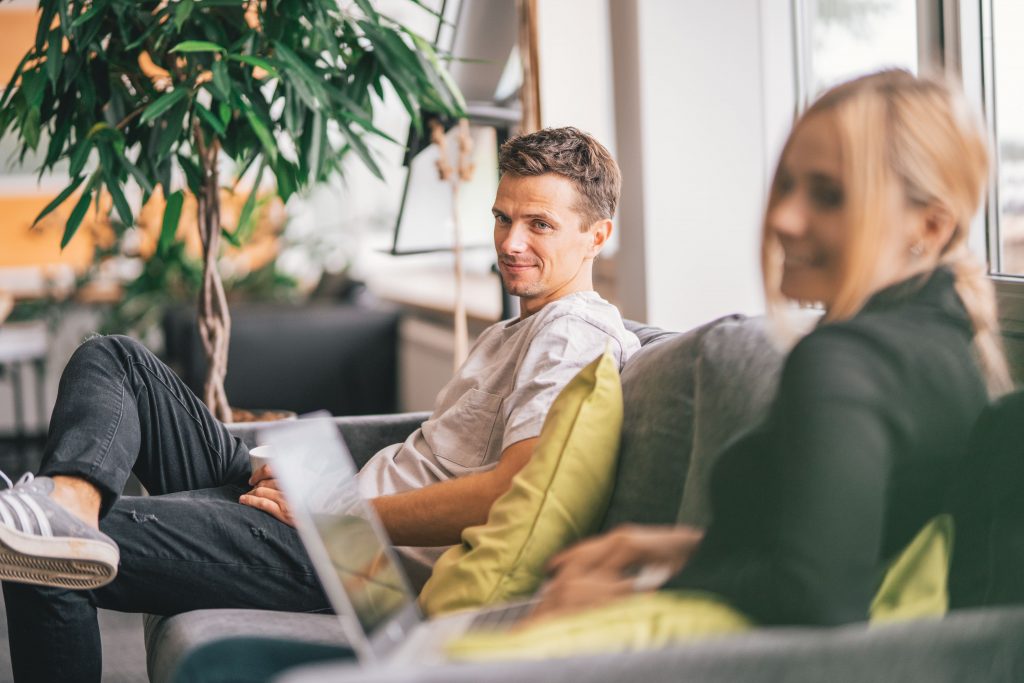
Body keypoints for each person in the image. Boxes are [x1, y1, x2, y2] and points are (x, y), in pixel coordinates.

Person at [0, 126, 640, 682]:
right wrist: (303, 472)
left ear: (597, 236)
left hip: (353, 555)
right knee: (115, 358)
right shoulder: (514, 329)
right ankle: (69, 502)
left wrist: (338, 515)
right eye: (503, 217)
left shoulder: (572, 334)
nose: (510, 242)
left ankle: (61, 524)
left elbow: (511, 490)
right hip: (329, 509)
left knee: (37, 550)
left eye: (540, 225)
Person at [532, 70, 1011, 628]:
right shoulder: (953, 349)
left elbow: (816, 597)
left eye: (829, 196)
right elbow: (847, 551)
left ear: (928, 225)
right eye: (787, 184)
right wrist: (677, 549)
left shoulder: (842, 361)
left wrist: (646, 584)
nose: (784, 217)